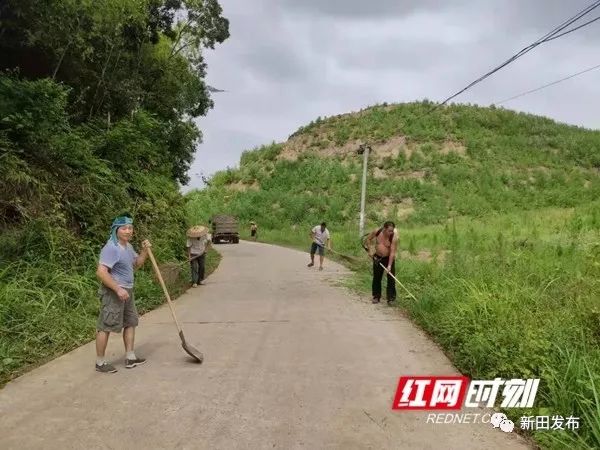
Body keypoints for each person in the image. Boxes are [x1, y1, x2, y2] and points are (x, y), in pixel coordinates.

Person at [95, 215, 150, 373]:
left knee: (130, 322)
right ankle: (100, 362)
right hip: (114, 292)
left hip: (128, 290)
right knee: (105, 326)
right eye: (124, 228)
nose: (128, 231)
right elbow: (101, 272)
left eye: (130, 228)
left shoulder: (128, 246)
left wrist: (144, 251)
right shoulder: (111, 248)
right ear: (116, 230)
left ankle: (130, 357)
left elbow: (136, 264)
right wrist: (118, 289)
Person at [365, 221, 398, 305]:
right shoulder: (377, 231)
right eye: (389, 231)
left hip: (388, 258)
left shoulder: (394, 237)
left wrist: (389, 265)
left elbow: (392, 252)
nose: (391, 232)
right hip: (377, 257)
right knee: (377, 277)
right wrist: (370, 250)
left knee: (391, 277)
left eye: (392, 231)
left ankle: (391, 298)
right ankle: (376, 296)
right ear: (384, 228)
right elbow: (368, 239)